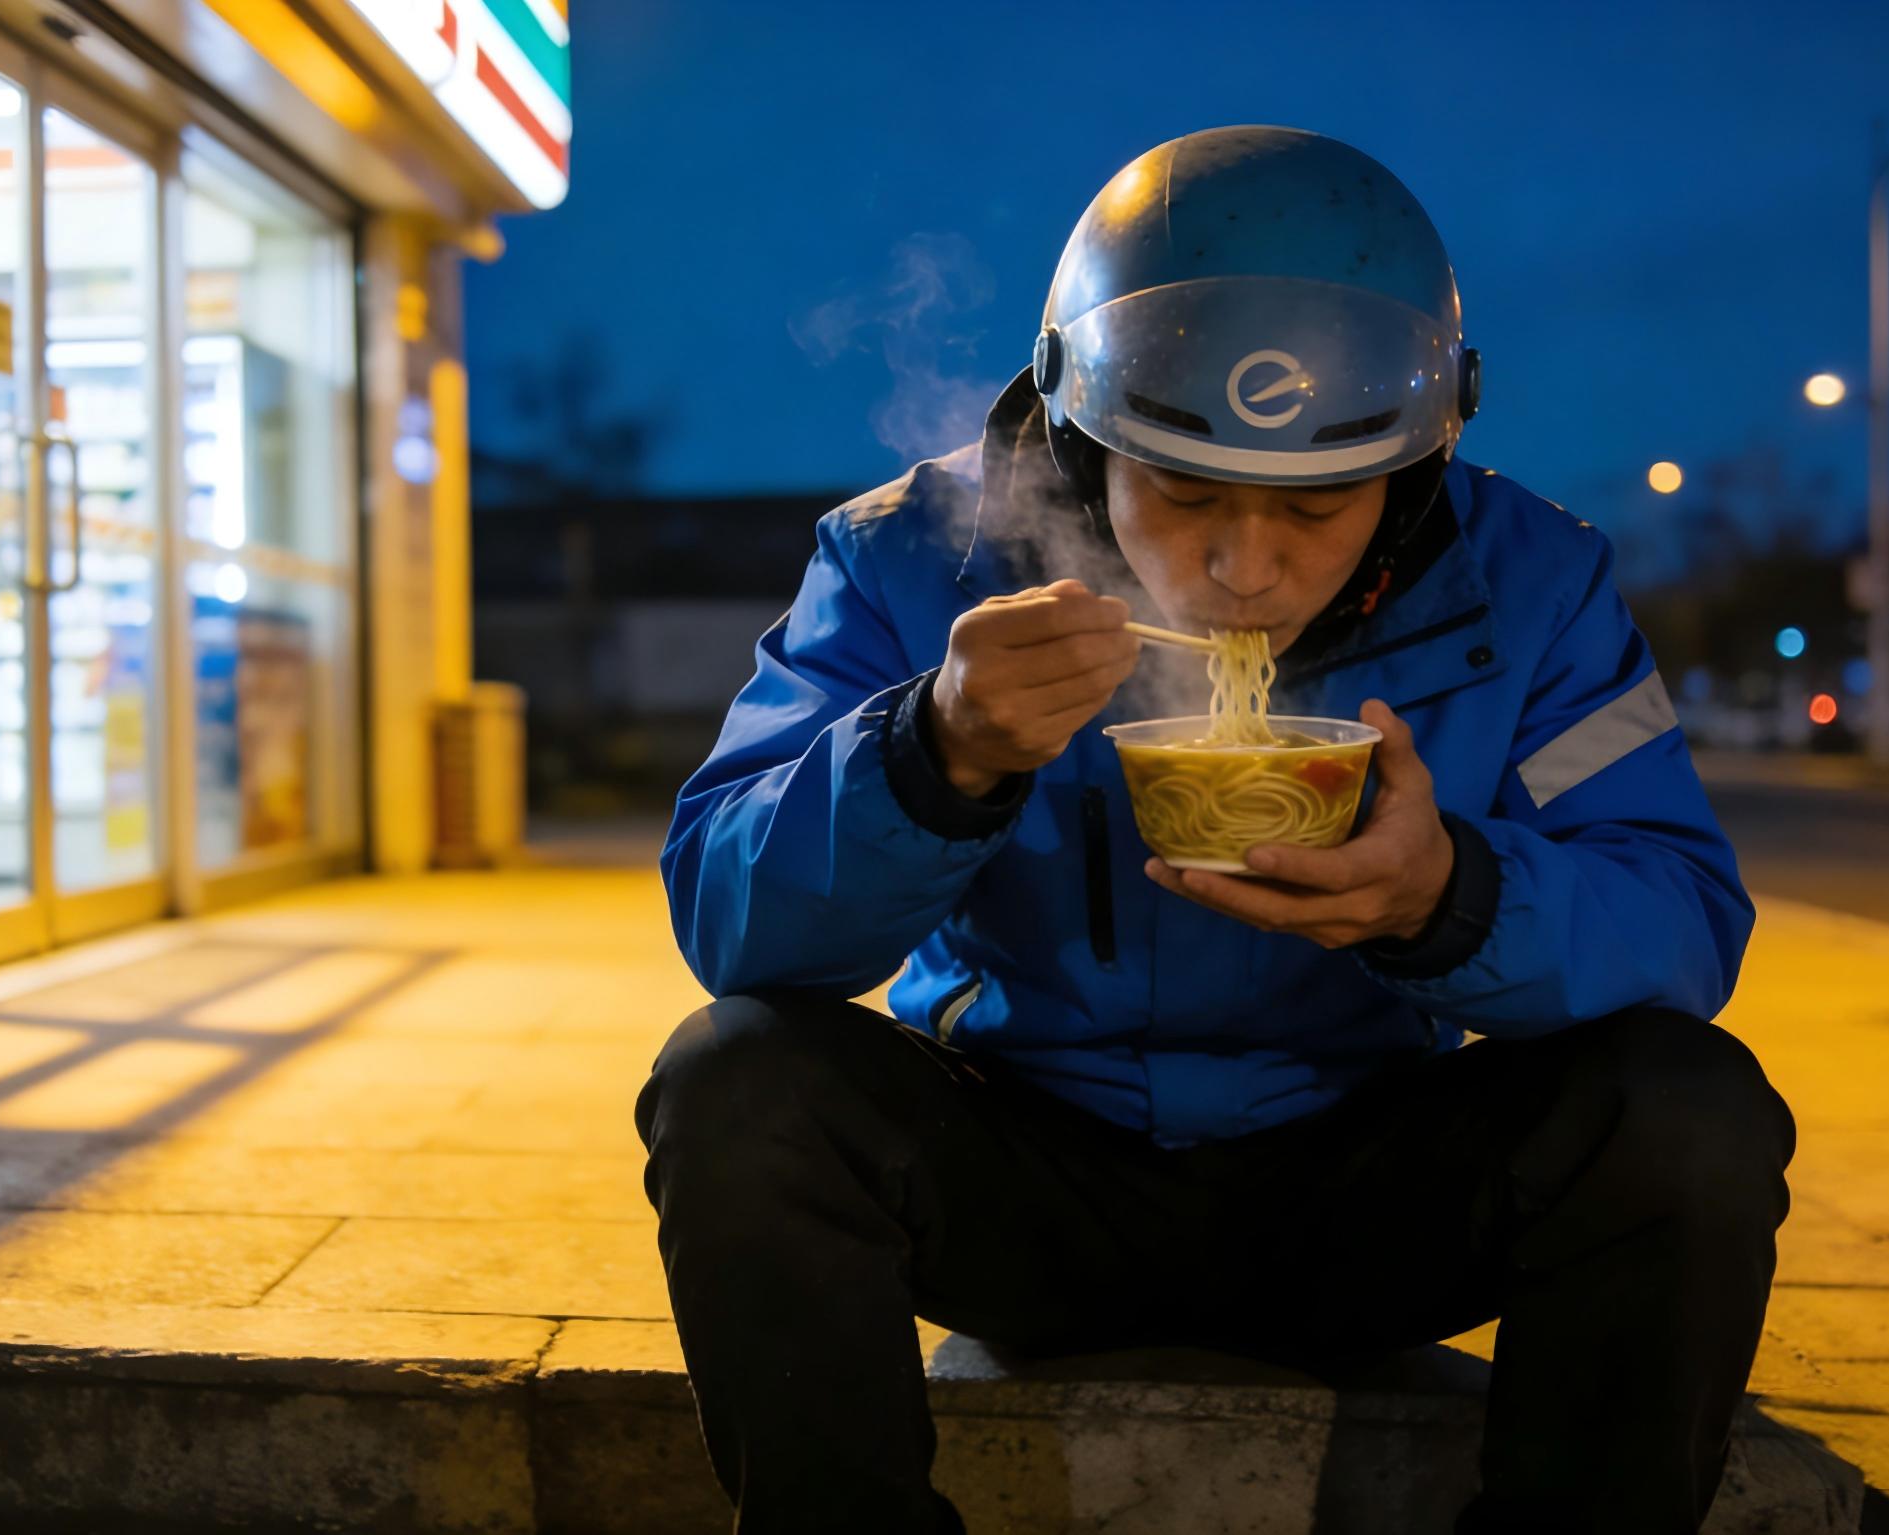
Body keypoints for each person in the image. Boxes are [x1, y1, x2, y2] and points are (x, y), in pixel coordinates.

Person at [638, 127, 1794, 1534]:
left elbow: (1680, 918)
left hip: (1364, 1189)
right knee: (736, 1079)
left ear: (1414, 470)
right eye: (1184, 494)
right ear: (1083, 443)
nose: (1247, 568)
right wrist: (933, 751)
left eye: (1320, 505)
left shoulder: (1530, 583)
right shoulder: (906, 558)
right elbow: (731, 923)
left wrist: (1450, 898)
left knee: (1690, 1110)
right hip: (1024, 1178)